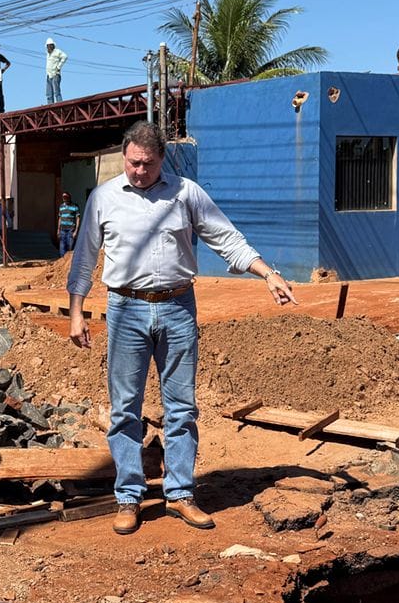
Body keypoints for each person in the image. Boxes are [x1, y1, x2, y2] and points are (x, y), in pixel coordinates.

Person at [67, 121, 297, 537]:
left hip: (177, 308)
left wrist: (268, 274)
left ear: (162, 160)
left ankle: (180, 493)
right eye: (133, 163)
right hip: (125, 310)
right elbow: (84, 256)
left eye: (148, 164)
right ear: (124, 156)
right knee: (125, 408)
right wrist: (76, 311)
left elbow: (226, 238)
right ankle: (128, 498)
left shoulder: (186, 193)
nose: (140, 171)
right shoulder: (103, 197)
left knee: (182, 407)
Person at [55, 191, 81, 258]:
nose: (64, 198)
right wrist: (58, 230)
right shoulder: (61, 207)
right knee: (62, 248)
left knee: (70, 247)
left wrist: (76, 231)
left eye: (66, 197)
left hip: (71, 230)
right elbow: (60, 218)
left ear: (69, 197)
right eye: (63, 197)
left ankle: (69, 262)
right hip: (62, 230)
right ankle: (62, 262)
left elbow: (78, 219)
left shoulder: (75, 206)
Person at [45, 38, 68, 105]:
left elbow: (65, 56)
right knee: (49, 94)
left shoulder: (57, 51)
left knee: (56, 92)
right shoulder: (48, 54)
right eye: (48, 46)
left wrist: (58, 67)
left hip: (55, 74)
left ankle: (59, 105)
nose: (49, 47)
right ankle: (50, 106)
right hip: (49, 75)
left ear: (53, 45)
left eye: (50, 45)